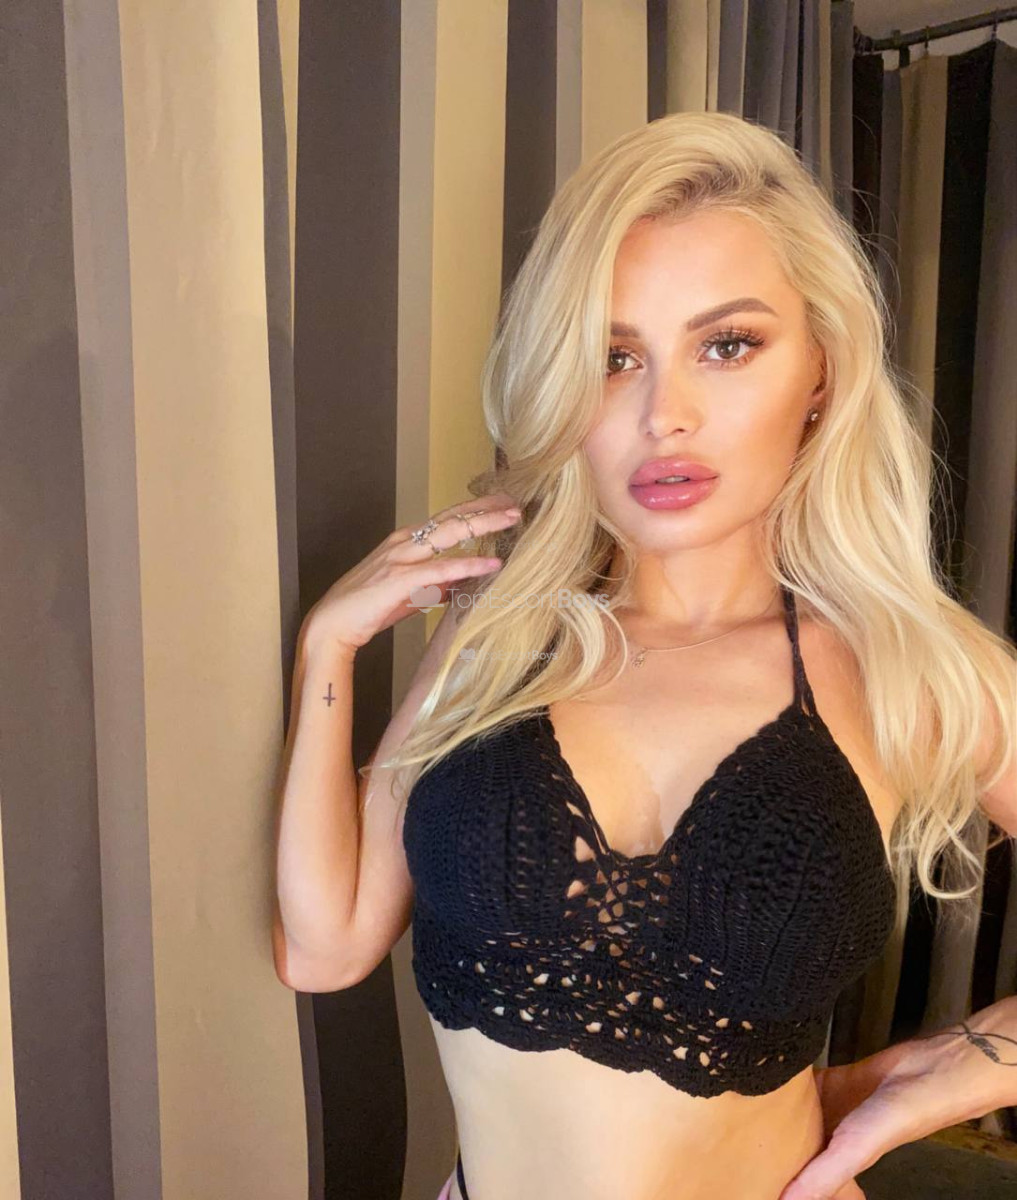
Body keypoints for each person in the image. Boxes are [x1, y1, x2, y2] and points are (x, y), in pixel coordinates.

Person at [272, 112, 1017, 1200]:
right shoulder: (503, 639)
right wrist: (326, 653)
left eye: (728, 345)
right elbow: (327, 944)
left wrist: (970, 1062)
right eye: (613, 359)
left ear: (821, 367)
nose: (666, 414)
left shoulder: (904, 665)